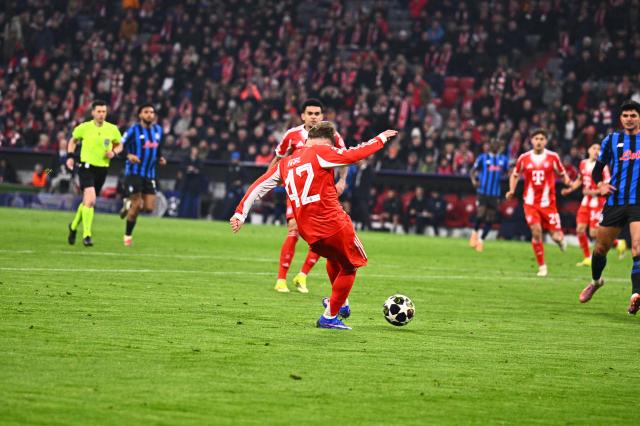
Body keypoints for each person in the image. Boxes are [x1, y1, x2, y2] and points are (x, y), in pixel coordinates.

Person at [230, 122, 398, 330]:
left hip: (309, 233)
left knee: (334, 258)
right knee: (350, 266)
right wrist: (380, 139)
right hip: (334, 224)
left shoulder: (286, 163)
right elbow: (353, 155)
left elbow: (259, 185)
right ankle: (330, 316)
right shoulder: (322, 151)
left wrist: (240, 212)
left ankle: (339, 302)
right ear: (328, 141)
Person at [268, 99, 348, 294]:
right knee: (293, 229)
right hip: (298, 193)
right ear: (302, 116)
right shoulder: (292, 135)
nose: (313, 117)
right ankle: (281, 279)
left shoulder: (333, 136)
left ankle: (302, 275)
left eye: (317, 113)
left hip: (322, 193)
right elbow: (278, 158)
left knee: (322, 235)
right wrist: (267, 182)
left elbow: (345, 157)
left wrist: (342, 181)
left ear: (322, 116)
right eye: (310, 113)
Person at [579, 100, 640, 314]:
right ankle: (596, 282)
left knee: (637, 248)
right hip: (615, 202)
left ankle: (635, 294)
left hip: (638, 203)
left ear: (639, 117)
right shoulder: (612, 140)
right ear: (620, 119)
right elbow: (598, 170)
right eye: (626, 116)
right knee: (601, 248)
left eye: (633, 115)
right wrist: (601, 184)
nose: (629, 119)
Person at [506, 129, 572, 277]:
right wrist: (511, 190)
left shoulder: (553, 157)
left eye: (542, 138)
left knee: (556, 237)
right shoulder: (524, 158)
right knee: (536, 232)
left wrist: (569, 183)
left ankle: (560, 241)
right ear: (531, 140)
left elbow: (562, 174)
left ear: (546, 141)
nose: (539, 141)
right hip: (530, 203)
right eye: (536, 138)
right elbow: (515, 175)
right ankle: (542, 266)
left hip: (549, 204)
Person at [66, 100, 123, 246]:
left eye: (104, 111)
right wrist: (70, 156)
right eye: (99, 111)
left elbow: (119, 144)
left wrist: (114, 152)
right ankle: (87, 235)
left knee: (87, 202)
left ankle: (73, 227)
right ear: (92, 112)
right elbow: (73, 141)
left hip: (102, 169)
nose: (101, 114)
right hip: (86, 167)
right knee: (91, 200)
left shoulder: (112, 129)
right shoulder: (84, 127)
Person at [561, 143, 625, 266]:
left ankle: (618, 243)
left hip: (598, 202)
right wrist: (569, 190)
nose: (596, 151)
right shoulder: (583, 163)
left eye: (599, 149)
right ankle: (587, 257)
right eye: (594, 148)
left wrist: (593, 191)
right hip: (586, 202)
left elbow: (607, 186)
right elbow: (580, 179)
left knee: (594, 234)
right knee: (580, 229)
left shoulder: (603, 167)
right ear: (588, 150)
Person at [119, 103, 166, 246]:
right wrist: (128, 155)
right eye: (146, 112)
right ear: (140, 115)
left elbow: (157, 149)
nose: (149, 114)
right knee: (137, 205)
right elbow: (119, 146)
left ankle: (127, 203)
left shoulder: (158, 130)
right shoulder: (133, 130)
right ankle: (127, 235)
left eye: (151, 112)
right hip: (133, 172)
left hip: (150, 174)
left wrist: (160, 158)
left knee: (150, 208)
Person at [469, 139, 510, 252]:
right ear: (490, 146)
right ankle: (474, 233)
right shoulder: (483, 157)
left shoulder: (503, 160)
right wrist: (474, 181)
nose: (495, 146)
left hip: (495, 194)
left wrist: (512, 173)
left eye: (497, 144)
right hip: (483, 192)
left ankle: (481, 241)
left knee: (490, 218)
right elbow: (473, 170)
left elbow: (509, 172)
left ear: (500, 147)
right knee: (480, 214)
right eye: (493, 144)